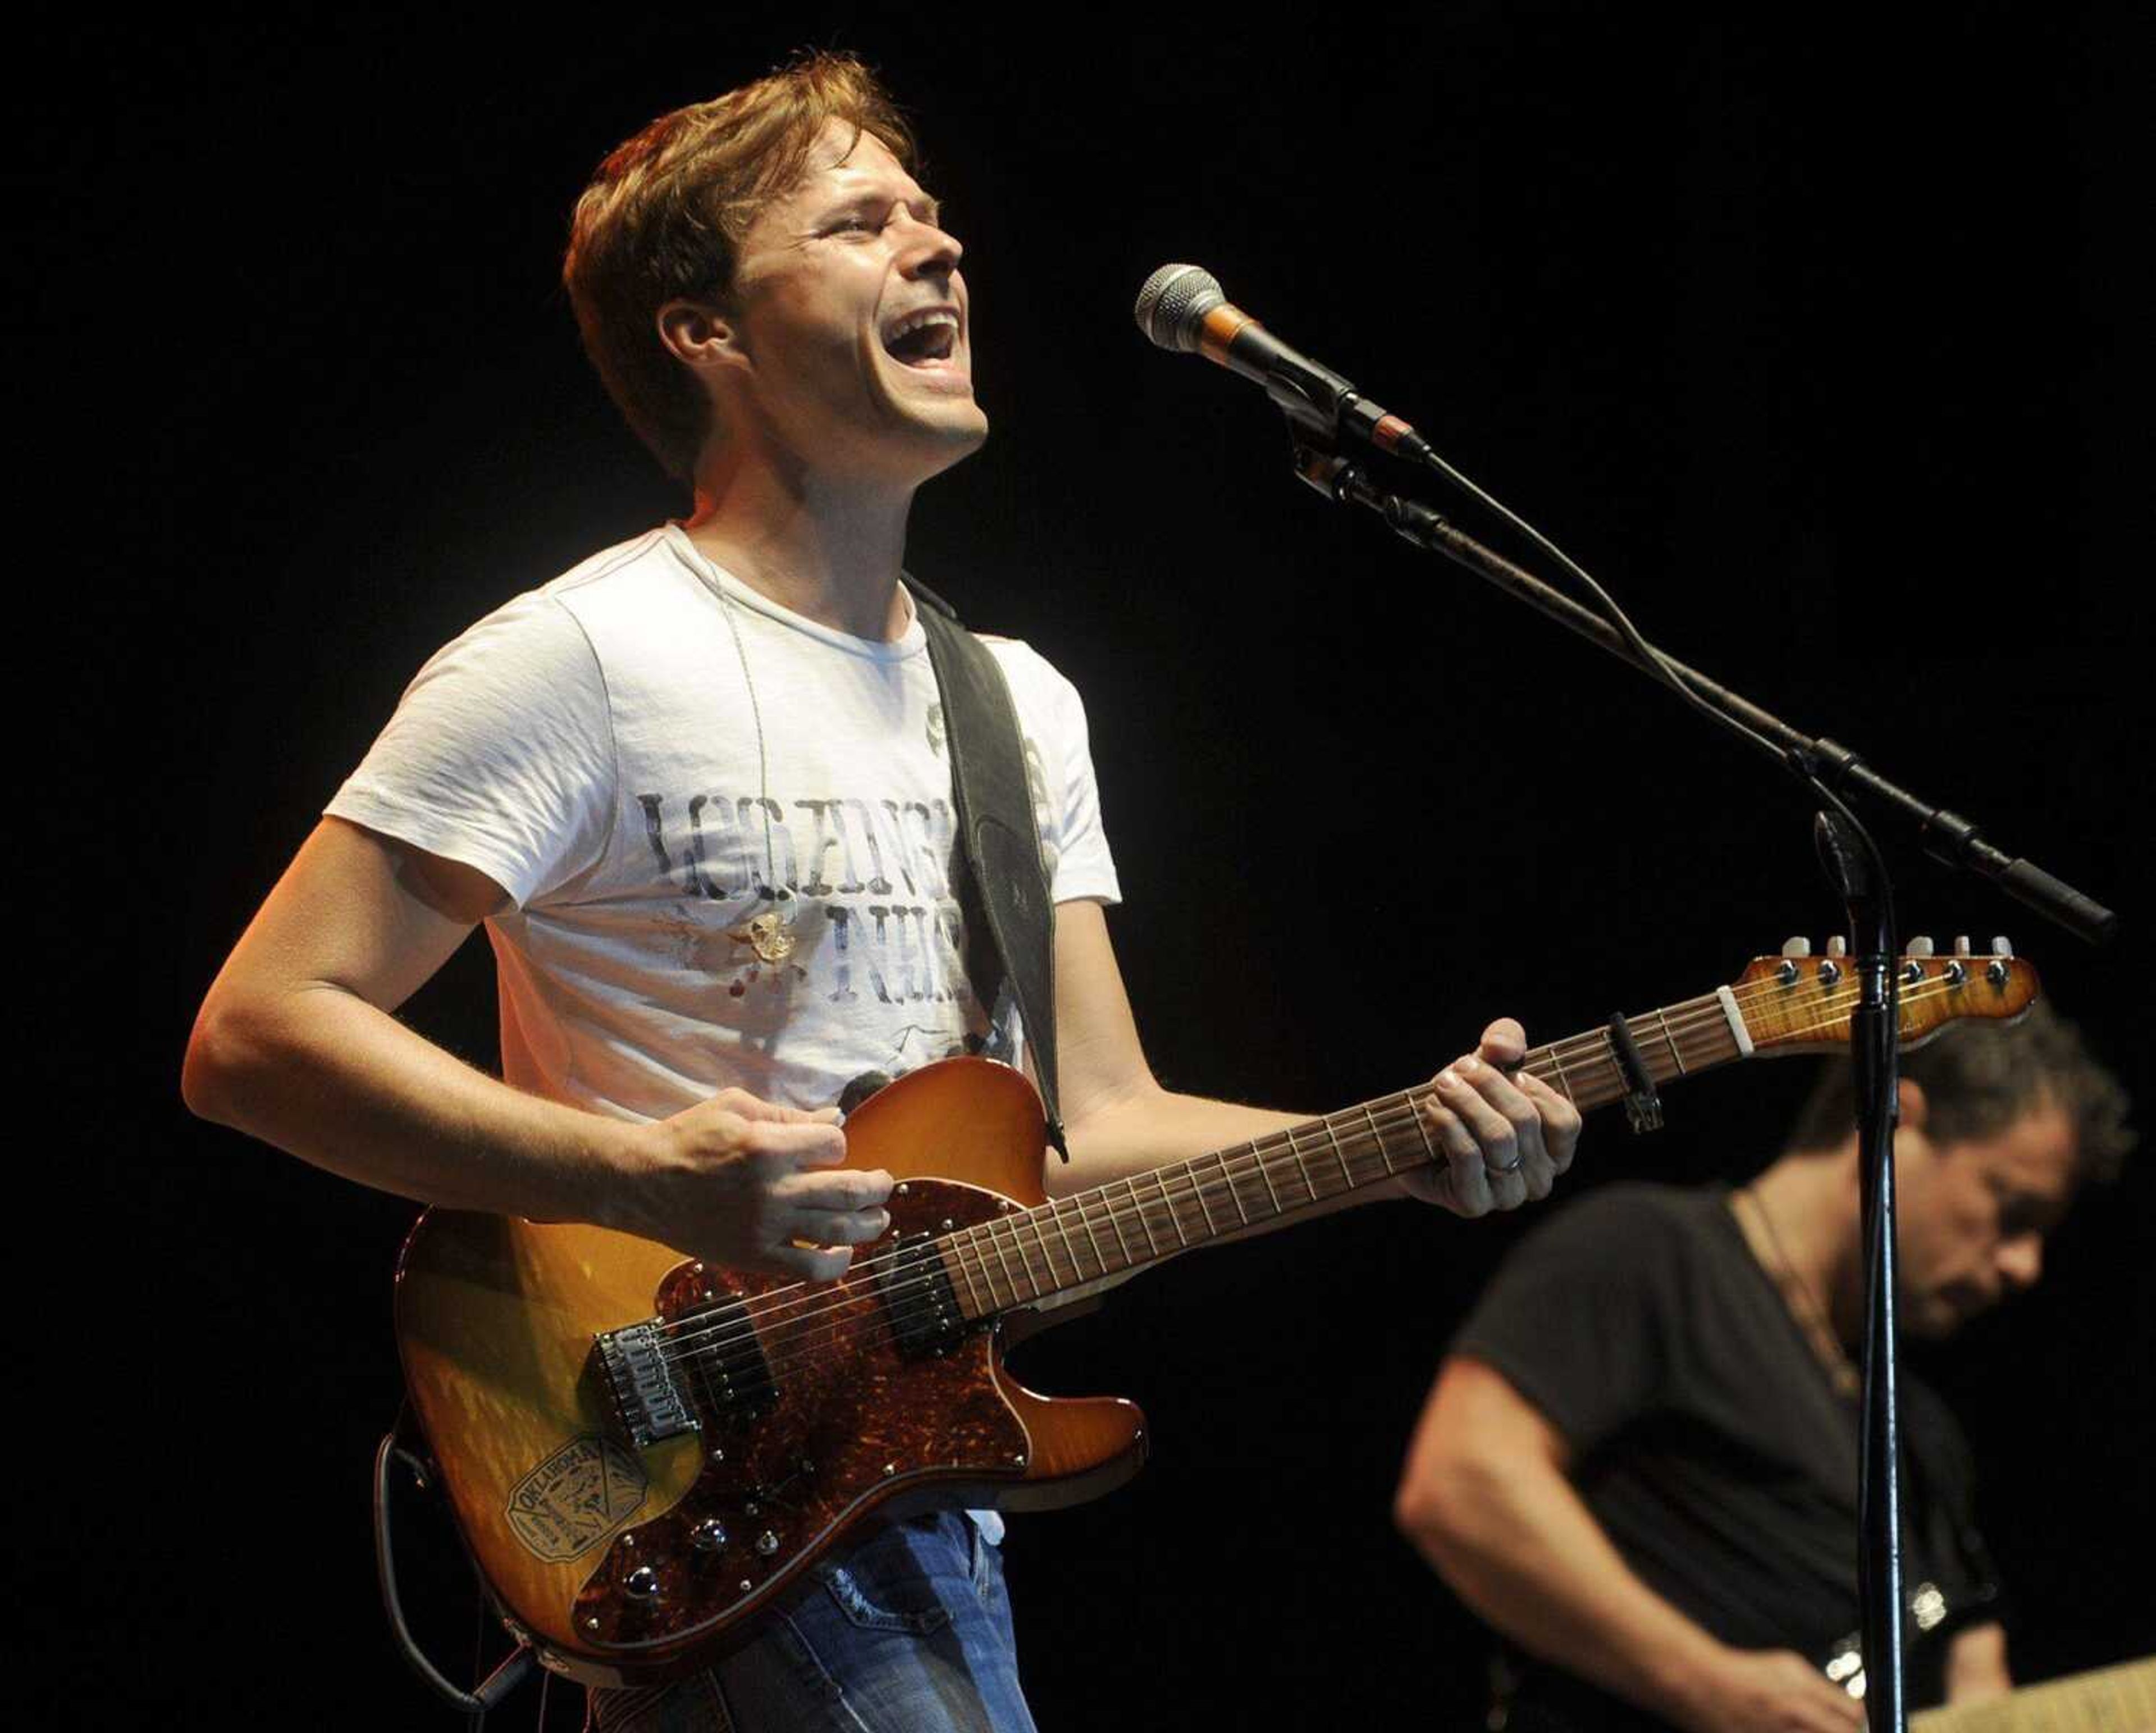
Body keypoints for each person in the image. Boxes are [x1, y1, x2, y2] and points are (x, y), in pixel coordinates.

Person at [181, 52, 1583, 1733]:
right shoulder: (581, 660)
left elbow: (1097, 1125)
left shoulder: (1018, 703)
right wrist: (642, 1173)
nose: (940, 250)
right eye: (862, 222)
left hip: (911, 1496)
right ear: (705, 332)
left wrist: (1391, 1145)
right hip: (689, 1471)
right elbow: (258, 1031)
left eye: (933, 215)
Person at [1392, 1002, 2132, 1733]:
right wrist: (1706, 1683)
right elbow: (1463, 1484)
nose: (2024, 1266)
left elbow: (1977, 1680)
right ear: (1894, 1125)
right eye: (2012, 1210)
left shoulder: (1922, 1433)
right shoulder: (1651, 1253)